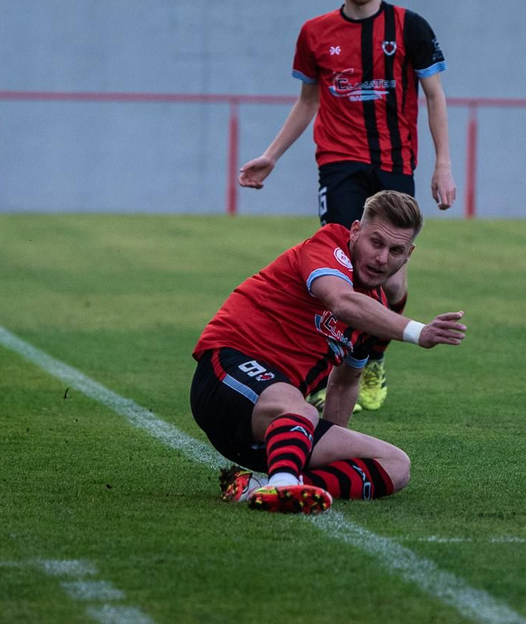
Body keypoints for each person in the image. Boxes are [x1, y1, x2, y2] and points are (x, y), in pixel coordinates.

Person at [238, 0, 455, 413]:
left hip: (397, 166)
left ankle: (370, 359)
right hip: (339, 166)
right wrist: (271, 155)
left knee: (391, 282)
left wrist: (443, 164)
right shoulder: (314, 33)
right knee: (342, 270)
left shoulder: (410, 27)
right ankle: (329, 369)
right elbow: (307, 101)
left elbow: (435, 96)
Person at [191, 191, 465, 513]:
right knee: (302, 410)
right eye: (376, 243)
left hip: (276, 424)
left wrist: (328, 443)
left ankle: (261, 487)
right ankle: (282, 488)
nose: (381, 258)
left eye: (396, 250)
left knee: (396, 465)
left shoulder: (374, 311)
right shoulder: (328, 246)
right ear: (355, 232)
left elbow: (345, 384)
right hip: (225, 374)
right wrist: (419, 332)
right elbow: (341, 302)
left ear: (409, 255)